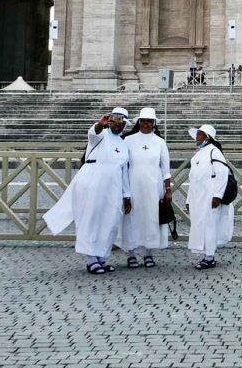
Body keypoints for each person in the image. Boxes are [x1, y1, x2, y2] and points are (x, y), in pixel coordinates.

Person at [43, 107, 133, 273]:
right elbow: (93, 133)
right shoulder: (100, 136)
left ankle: (102, 257)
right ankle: (91, 258)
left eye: (121, 123)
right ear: (110, 121)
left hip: (113, 186)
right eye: (114, 121)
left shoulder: (123, 143)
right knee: (90, 218)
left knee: (110, 221)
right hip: (92, 181)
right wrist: (100, 124)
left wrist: (127, 195)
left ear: (125, 125)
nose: (117, 126)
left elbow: (124, 171)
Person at [120, 108, 170, 268]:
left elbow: (165, 168)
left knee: (151, 218)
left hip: (154, 187)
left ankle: (149, 253)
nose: (146, 124)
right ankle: (131, 254)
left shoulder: (160, 142)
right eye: (143, 120)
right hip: (133, 185)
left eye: (149, 121)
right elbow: (123, 166)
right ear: (139, 122)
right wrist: (124, 192)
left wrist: (168, 189)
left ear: (154, 123)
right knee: (132, 218)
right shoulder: (128, 140)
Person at [186, 124, 234, 270]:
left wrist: (217, 196)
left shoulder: (214, 152)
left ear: (207, 137)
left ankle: (209, 256)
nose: (197, 137)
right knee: (201, 224)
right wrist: (188, 199)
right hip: (198, 196)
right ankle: (206, 253)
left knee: (210, 225)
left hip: (209, 195)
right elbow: (193, 178)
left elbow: (222, 174)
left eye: (200, 134)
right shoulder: (198, 154)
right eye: (197, 134)